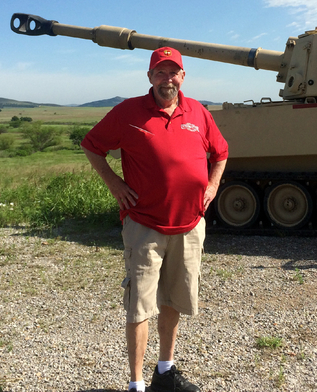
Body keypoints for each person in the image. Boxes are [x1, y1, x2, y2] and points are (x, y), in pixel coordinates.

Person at [81, 47, 228, 392]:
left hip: (189, 225)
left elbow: (220, 152)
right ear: (149, 78)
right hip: (145, 225)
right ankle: (136, 384)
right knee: (139, 307)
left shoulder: (199, 112)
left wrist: (212, 185)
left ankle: (165, 371)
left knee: (174, 300)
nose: (167, 79)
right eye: (160, 73)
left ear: (183, 76)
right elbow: (91, 145)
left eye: (173, 72)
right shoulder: (128, 111)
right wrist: (115, 184)